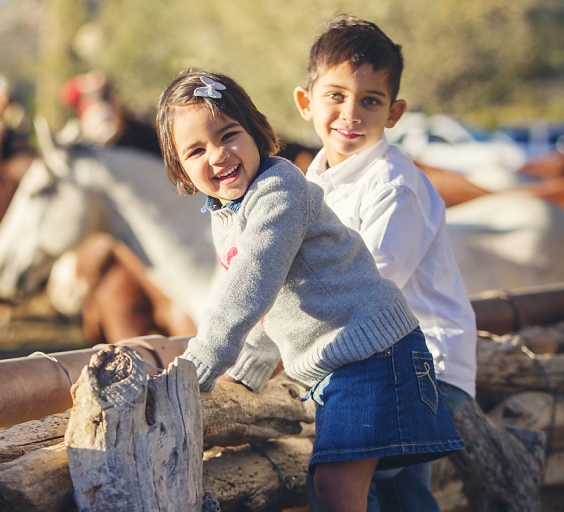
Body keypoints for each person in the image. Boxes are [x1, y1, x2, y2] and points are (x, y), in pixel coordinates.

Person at [156, 69, 464, 512]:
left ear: (257, 132)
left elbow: (252, 282)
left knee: (336, 489)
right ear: (181, 169)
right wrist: (249, 369)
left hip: (373, 357)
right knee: (379, 494)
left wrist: (199, 363)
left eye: (229, 135)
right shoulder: (228, 212)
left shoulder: (280, 189)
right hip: (352, 362)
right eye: (197, 149)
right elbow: (270, 300)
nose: (218, 154)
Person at [293, 15, 477, 511]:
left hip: (422, 366)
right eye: (335, 95)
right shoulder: (312, 183)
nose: (350, 113)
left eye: (369, 100)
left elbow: (370, 291)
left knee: (343, 479)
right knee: (397, 492)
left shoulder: (394, 186)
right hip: (378, 362)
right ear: (305, 101)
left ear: (393, 112)